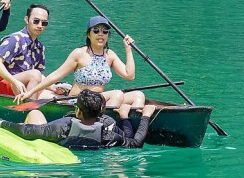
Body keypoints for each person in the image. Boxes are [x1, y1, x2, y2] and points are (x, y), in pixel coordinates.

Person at [14, 15, 154, 118]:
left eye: (105, 31)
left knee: (139, 95)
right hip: (80, 101)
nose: (101, 34)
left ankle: (131, 125)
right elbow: (56, 75)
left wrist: (128, 49)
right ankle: (106, 126)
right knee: (117, 94)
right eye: (96, 30)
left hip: (100, 100)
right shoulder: (79, 54)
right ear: (88, 34)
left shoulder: (110, 55)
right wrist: (29, 93)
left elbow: (130, 75)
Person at [0, 90, 154, 150]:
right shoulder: (106, 134)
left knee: (35, 114)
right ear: (101, 112)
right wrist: (142, 116)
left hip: (54, 145)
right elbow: (134, 143)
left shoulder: (63, 127)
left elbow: (26, 131)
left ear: (77, 110)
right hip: (92, 154)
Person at [0, 4, 57, 98]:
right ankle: (29, 109)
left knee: (54, 96)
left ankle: (31, 105)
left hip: (24, 86)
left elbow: (39, 75)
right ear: (26, 19)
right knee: (35, 74)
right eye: (36, 21)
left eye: (44, 23)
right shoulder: (14, 39)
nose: (40, 25)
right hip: (2, 85)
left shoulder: (40, 47)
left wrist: (53, 87)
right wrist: (14, 81)